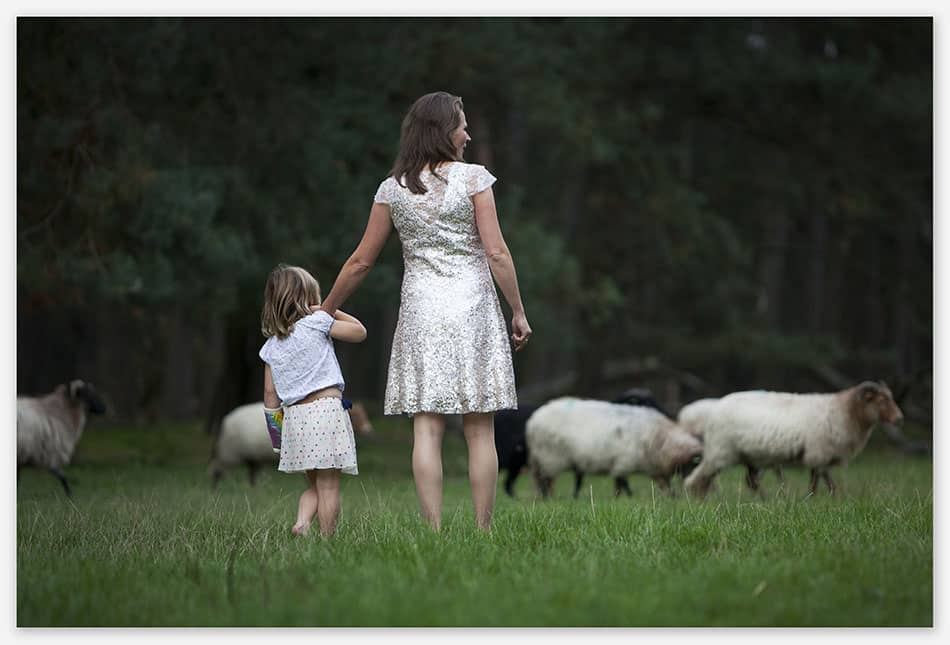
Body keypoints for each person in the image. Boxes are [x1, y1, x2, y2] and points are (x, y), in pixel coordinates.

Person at [319, 91, 532, 531]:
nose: (468, 135)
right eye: (462, 127)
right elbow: (496, 252)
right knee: (479, 429)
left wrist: (325, 311)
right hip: (473, 309)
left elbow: (360, 262)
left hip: (421, 312)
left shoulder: (392, 189)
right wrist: (518, 310)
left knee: (427, 428)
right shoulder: (474, 179)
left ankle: (432, 531)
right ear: (442, 131)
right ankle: (483, 530)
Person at [259, 264, 367, 537]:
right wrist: (330, 311)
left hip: (295, 419)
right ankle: (327, 539)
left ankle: (303, 522)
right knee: (329, 486)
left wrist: (277, 437)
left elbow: (270, 395)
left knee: (314, 486)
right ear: (308, 299)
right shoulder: (317, 322)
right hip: (325, 414)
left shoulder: (271, 346)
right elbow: (359, 332)